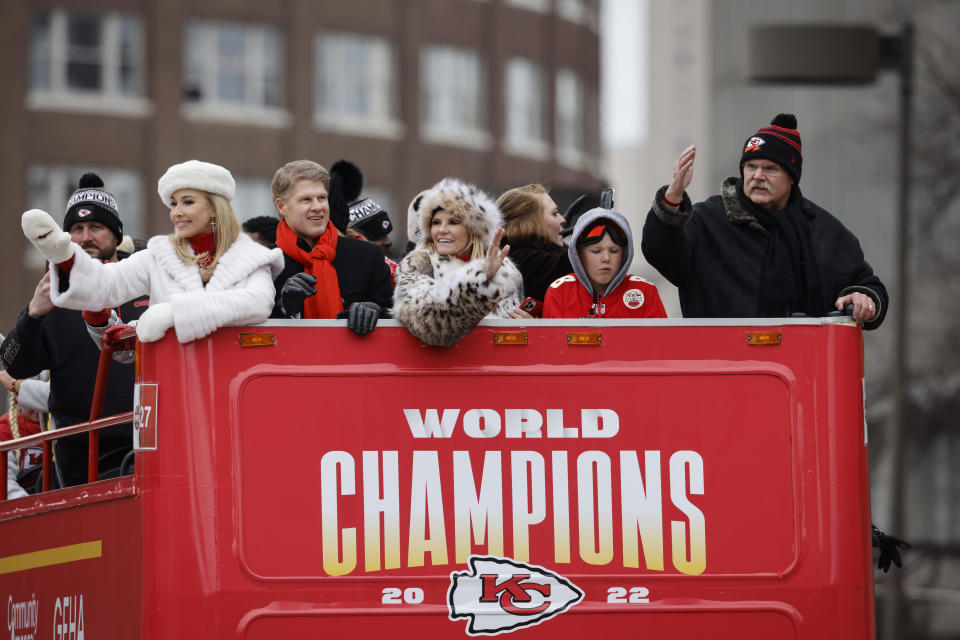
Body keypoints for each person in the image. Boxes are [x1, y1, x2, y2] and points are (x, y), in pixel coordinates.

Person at [641, 113, 888, 327]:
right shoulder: (706, 221)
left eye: (771, 168)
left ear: (792, 177)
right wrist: (672, 199)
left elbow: (868, 286)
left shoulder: (825, 232)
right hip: (721, 370)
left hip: (804, 371)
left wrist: (861, 298)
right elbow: (658, 251)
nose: (758, 176)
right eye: (751, 166)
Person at [21, 160, 285, 344]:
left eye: (188, 202)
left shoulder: (251, 257)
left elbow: (257, 304)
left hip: (229, 385)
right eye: (173, 203)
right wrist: (63, 255)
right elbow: (107, 282)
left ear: (215, 208)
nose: (176, 212)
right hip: (170, 385)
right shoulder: (159, 255)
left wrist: (173, 314)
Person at [3, 174, 148, 485]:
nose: (86, 238)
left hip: (152, 444)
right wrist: (32, 314)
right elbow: (13, 363)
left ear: (115, 233)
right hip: (83, 460)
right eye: (76, 230)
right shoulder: (55, 295)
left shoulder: (144, 281)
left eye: (96, 227)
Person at [394, 177, 527, 347]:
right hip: (439, 371)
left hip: (496, 369)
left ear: (473, 230)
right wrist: (479, 279)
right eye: (435, 223)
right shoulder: (418, 264)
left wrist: (529, 324)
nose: (441, 230)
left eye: (453, 222)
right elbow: (432, 328)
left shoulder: (506, 270)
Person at [270, 160, 393, 335]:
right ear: (281, 206)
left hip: (357, 361)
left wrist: (376, 312)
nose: (318, 207)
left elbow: (398, 319)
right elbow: (249, 336)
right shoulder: (265, 263)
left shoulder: (367, 255)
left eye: (322, 198)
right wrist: (286, 308)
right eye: (306, 200)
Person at [543, 207, 666, 319]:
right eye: (596, 251)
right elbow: (551, 342)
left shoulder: (645, 291)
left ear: (625, 253)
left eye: (614, 251)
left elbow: (662, 342)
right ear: (579, 254)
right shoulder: (560, 292)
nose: (606, 258)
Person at [497, 184, 571, 307]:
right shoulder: (524, 261)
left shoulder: (510, 254)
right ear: (531, 223)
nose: (563, 219)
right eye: (555, 214)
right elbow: (583, 264)